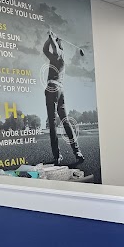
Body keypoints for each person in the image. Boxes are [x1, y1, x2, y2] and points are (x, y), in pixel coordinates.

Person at [43, 31, 84, 166]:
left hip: (52, 89)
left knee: (52, 124)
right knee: (65, 121)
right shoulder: (58, 59)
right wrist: (50, 39)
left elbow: (52, 48)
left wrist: (51, 37)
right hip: (60, 91)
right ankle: (77, 152)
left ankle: (57, 156)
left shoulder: (58, 54)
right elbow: (45, 49)